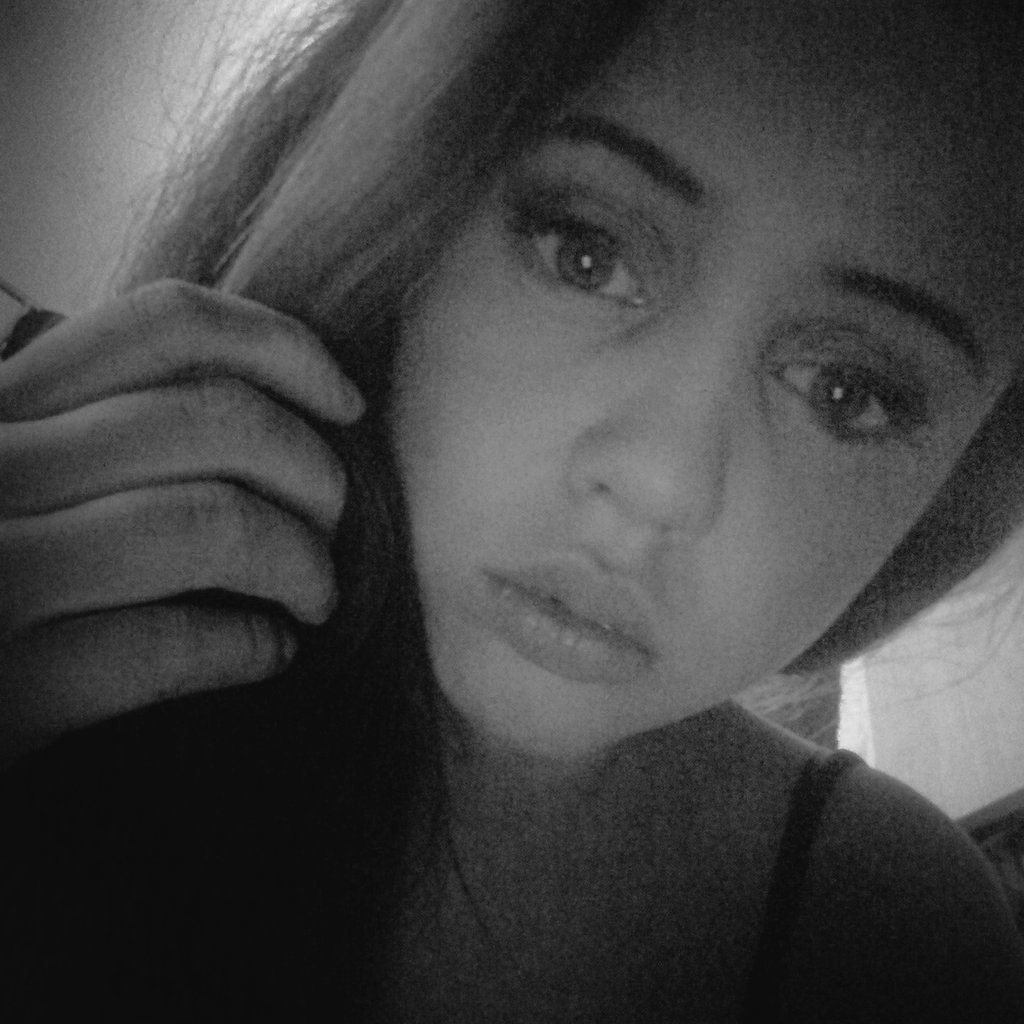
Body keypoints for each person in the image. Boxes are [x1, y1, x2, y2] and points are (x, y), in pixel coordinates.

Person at [1, 0, 1023, 1019]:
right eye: (585, 252)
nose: (661, 482)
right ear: (394, 197)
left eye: (846, 391)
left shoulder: (900, 933)